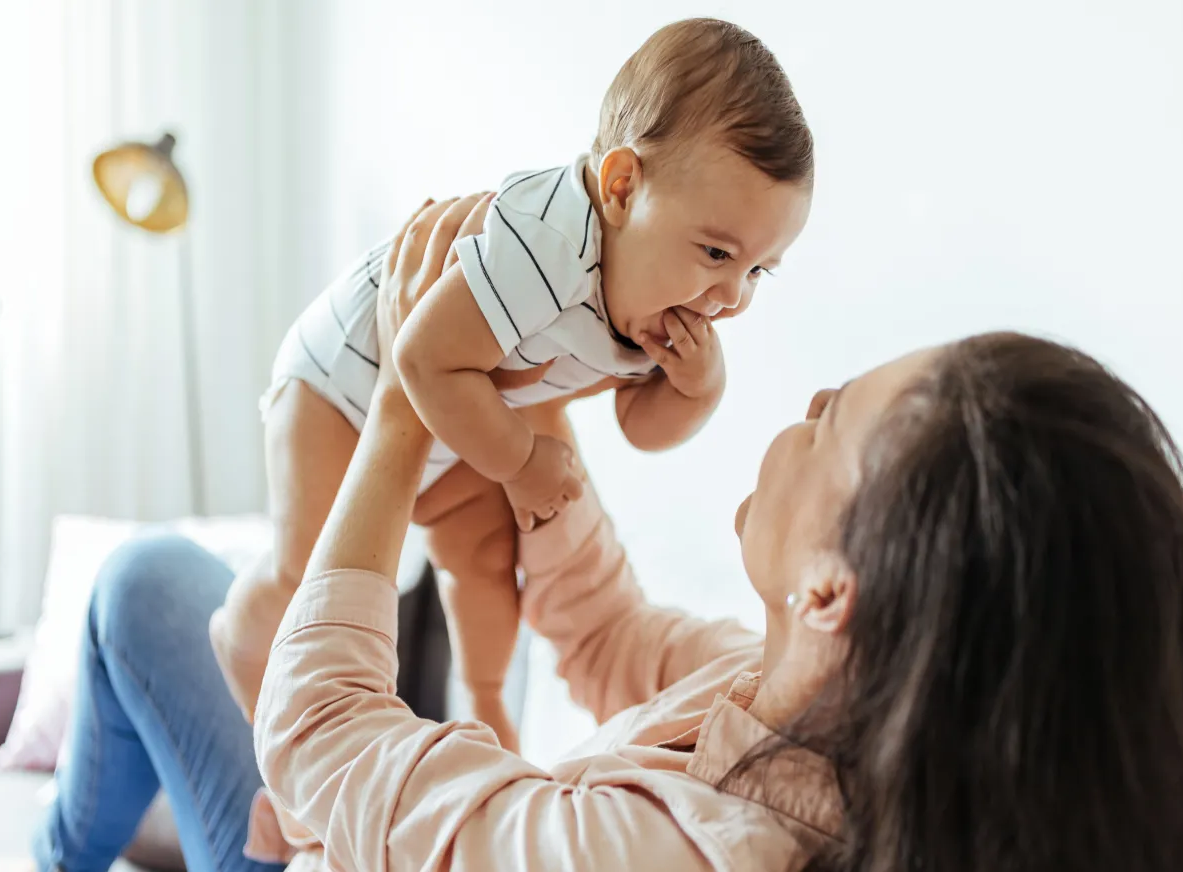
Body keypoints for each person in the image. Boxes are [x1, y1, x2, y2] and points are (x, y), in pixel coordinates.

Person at [250, 198, 1183, 870]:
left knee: (144, 590)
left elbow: (321, 730)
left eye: (833, 412)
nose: (805, 398)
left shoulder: (687, 848)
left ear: (831, 587)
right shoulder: (801, 713)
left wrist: (402, 404)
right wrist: (527, 397)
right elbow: (609, 636)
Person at [210, 17, 813, 750]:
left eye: (757, 270)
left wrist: (697, 389)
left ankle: (488, 705)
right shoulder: (547, 244)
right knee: (312, 583)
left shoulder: (660, 291)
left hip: (461, 417)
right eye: (717, 251)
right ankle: (244, 674)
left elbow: (639, 427)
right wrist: (523, 464)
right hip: (341, 387)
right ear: (621, 188)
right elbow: (423, 358)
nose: (731, 296)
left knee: (486, 565)